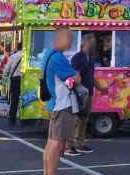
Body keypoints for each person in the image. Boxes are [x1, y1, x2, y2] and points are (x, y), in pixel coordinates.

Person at [42, 27, 81, 175]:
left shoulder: (48, 54)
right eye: (69, 37)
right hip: (62, 104)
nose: (71, 41)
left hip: (54, 103)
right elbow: (76, 78)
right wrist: (75, 74)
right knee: (56, 144)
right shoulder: (58, 58)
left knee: (51, 143)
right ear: (59, 38)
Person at [65, 34, 108, 156]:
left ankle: (80, 144)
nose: (93, 45)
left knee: (84, 119)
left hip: (89, 92)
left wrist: (99, 88)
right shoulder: (78, 58)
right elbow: (75, 75)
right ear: (85, 43)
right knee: (74, 118)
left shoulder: (90, 58)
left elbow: (91, 76)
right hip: (78, 92)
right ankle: (69, 146)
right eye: (92, 42)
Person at [3, 43, 23, 126]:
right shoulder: (28, 56)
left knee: (14, 99)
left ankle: (12, 119)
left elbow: (6, 70)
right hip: (26, 79)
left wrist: (9, 74)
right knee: (26, 99)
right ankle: (24, 120)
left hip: (15, 79)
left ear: (17, 48)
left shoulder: (13, 56)